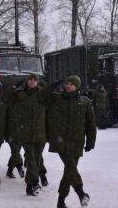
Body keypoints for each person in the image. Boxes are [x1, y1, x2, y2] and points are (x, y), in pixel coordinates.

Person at [46, 76, 96, 208]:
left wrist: (91, 141)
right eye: (67, 83)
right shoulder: (57, 98)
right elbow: (43, 95)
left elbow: (90, 124)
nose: (68, 86)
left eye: (71, 84)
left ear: (77, 86)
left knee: (69, 171)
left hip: (77, 141)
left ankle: (60, 201)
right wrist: (53, 84)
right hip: (60, 141)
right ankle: (81, 193)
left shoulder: (84, 102)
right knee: (71, 168)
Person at [7, 74, 48, 196]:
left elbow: (51, 111)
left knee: (36, 159)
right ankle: (35, 183)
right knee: (31, 159)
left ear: (37, 81)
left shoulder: (42, 94)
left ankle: (29, 186)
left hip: (40, 133)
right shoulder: (19, 93)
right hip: (25, 133)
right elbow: (4, 99)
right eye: (30, 79)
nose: (32, 81)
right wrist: (13, 87)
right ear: (27, 81)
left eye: (34, 80)